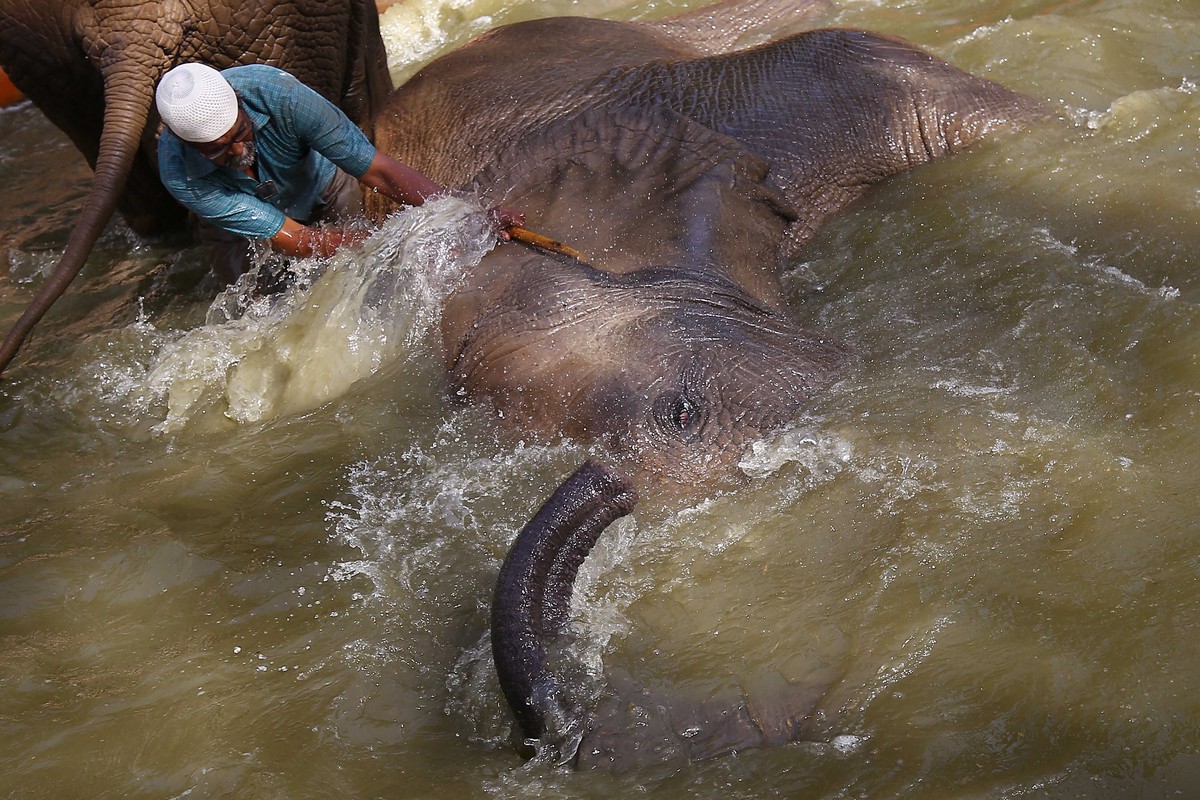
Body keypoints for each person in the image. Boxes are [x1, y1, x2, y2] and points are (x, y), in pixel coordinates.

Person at [154, 62, 523, 284]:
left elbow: (376, 170)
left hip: (322, 186)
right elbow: (291, 238)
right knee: (251, 314)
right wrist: (394, 244)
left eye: (240, 133)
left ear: (239, 101)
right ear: (187, 144)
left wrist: (464, 216)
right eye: (216, 149)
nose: (236, 151)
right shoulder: (179, 173)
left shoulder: (282, 95)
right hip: (240, 230)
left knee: (358, 281)